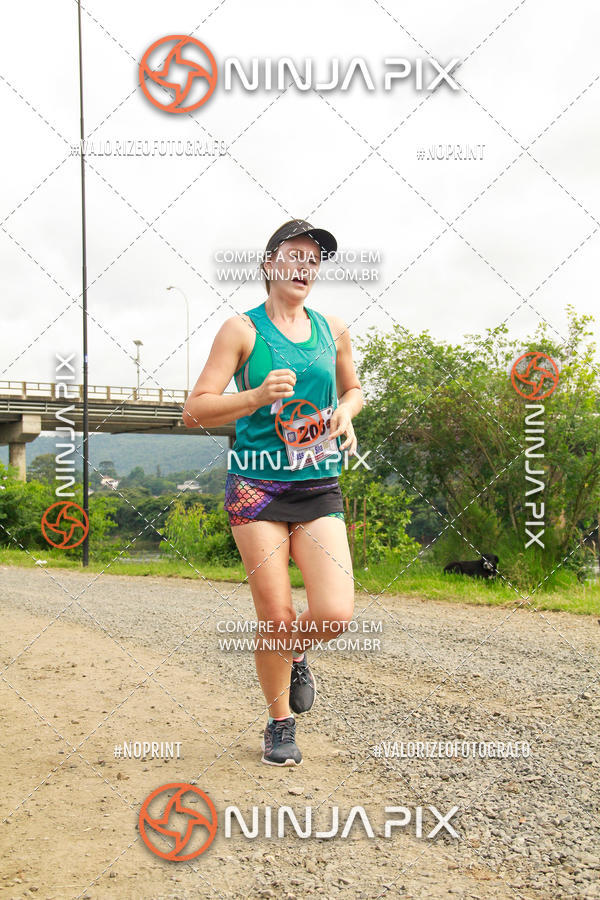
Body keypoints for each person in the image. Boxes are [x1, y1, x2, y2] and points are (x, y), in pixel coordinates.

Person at [183, 219, 363, 766]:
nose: (305, 266)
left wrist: (347, 415)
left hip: (316, 484)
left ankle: (297, 652)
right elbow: (195, 410)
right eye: (295, 255)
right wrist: (256, 396)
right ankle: (279, 723)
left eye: (314, 259)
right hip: (256, 488)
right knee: (277, 615)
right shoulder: (241, 330)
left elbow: (353, 387)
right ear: (269, 266)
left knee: (334, 613)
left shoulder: (333, 328)